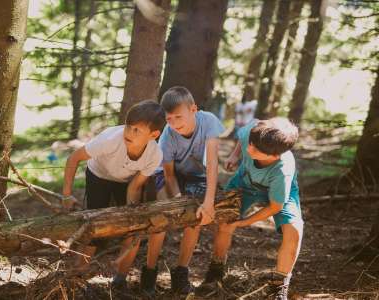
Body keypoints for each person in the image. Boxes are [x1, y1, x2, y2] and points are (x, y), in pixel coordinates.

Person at [61, 99, 166, 290]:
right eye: (129, 126)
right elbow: (74, 157)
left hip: (125, 181)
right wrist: (66, 194)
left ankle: (120, 278)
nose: (129, 132)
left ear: (154, 135)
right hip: (99, 175)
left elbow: (134, 186)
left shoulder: (155, 155)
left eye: (137, 130)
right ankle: (77, 277)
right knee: (95, 227)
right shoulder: (110, 140)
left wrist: (130, 211)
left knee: (133, 228)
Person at [196, 117, 303, 300]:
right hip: (244, 182)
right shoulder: (253, 134)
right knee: (225, 219)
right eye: (250, 143)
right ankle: (216, 270)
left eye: (256, 149)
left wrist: (243, 223)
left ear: (275, 156)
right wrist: (234, 155)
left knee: (294, 230)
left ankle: (279, 286)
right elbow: (244, 136)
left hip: (275, 192)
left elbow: (275, 206)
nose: (249, 148)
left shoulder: (281, 171)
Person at [138, 86, 225, 297]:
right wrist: (178, 199)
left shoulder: (209, 122)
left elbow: (212, 163)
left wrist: (209, 201)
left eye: (179, 116)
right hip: (169, 175)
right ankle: (149, 272)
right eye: (169, 119)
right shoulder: (168, 136)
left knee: (194, 217)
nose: (175, 123)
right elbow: (168, 176)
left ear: (194, 109)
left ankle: (181, 273)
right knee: (161, 218)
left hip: (199, 175)